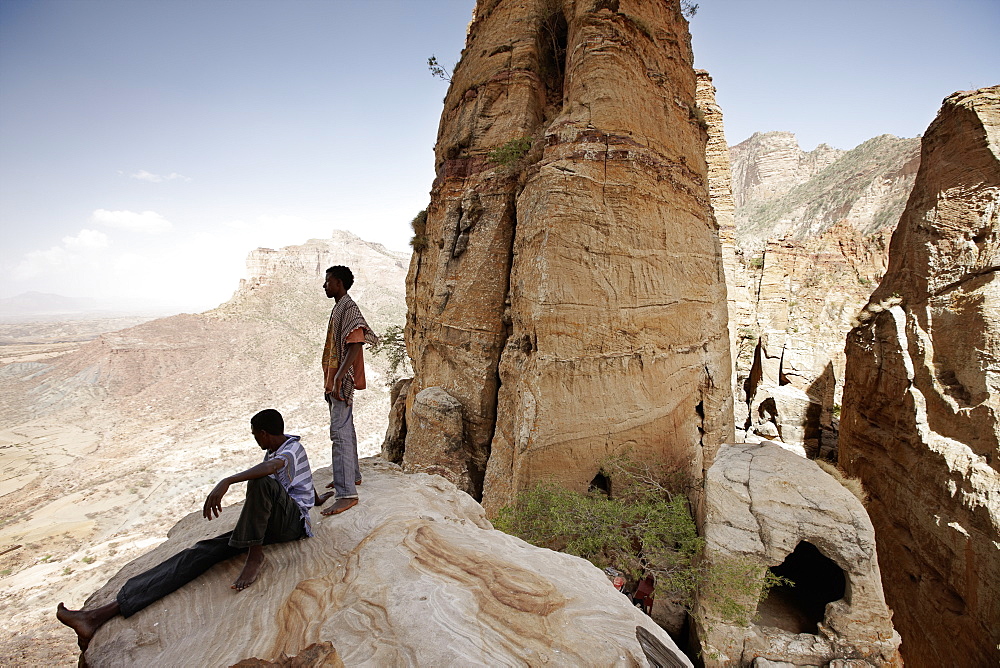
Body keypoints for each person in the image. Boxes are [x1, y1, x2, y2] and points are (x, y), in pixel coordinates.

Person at [56, 409, 332, 651]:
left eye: (254, 434)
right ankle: (98, 616)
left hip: (292, 525)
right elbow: (299, 479)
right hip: (271, 522)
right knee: (200, 552)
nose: (254, 439)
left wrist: (227, 480)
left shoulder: (289, 450)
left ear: (263, 432)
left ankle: (255, 555)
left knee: (259, 482)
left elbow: (273, 469)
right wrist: (316, 498)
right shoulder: (276, 449)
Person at [320, 265, 378, 516]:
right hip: (334, 379)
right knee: (347, 428)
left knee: (339, 433)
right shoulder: (340, 306)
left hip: (340, 381)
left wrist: (338, 378)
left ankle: (346, 494)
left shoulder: (349, 307)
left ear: (339, 283)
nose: (325, 286)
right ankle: (351, 476)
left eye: (328, 281)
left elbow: (355, 344)